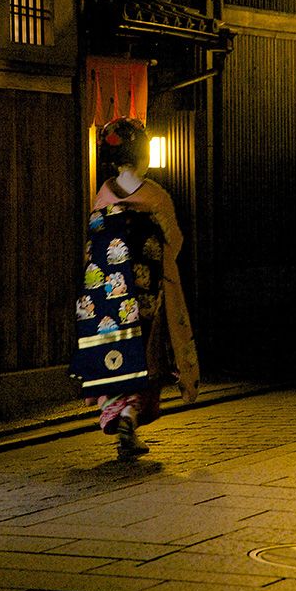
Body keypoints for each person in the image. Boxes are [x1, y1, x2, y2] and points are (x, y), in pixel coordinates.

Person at [70, 117, 199, 458]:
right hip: (147, 297)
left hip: (108, 301)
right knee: (147, 361)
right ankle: (130, 416)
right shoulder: (156, 196)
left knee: (114, 356)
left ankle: (120, 415)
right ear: (142, 155)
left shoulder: (102, 195)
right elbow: (173, 240)